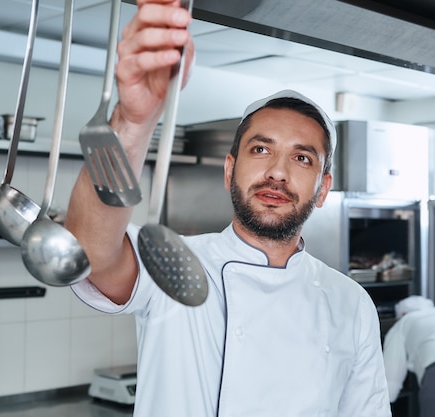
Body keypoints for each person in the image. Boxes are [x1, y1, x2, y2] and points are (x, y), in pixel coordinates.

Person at [64, 1, 391, 416]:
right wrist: (131, 120)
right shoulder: (174, 266)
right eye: (261, 149)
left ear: (323, 189)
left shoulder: (350, 302)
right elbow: (87, 252)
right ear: (230, 169)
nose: (278, 173)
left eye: (302, 158)